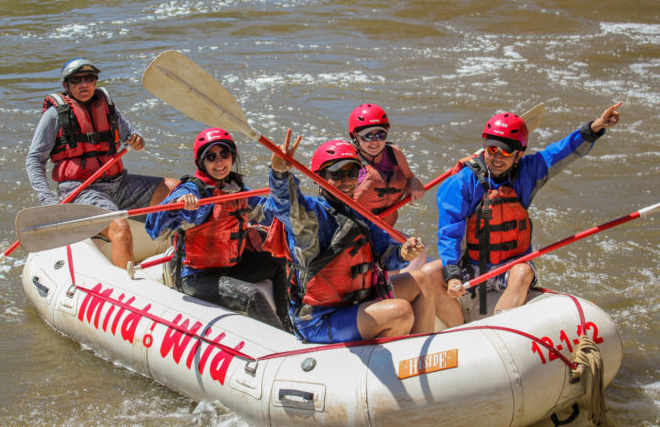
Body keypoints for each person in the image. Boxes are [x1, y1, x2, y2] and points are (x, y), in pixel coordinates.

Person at [423, 102, 622, 327]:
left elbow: (562, 151)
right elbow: (449, 233)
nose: (498, 158)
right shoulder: (460, 184)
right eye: (492, 150)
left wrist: (595, 127)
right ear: (484, 147)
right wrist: (453, 275)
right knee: (429, 273)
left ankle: (496, 328)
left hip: (510, 268)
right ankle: (458, 330)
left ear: (519, 154)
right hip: (473, 266)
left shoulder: (530, 171)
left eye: (506, 152)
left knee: (523, 271)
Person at [265, 131, 434, 343]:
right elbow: (284, 205)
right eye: (336, 174)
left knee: (421, 280)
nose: (346, 181)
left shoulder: (359, 214)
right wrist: (279, 174)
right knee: (399, 311)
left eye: (352, 173)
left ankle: (422, 359)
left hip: (356, 303)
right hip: (320, 319)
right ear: (320, 178)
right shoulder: (310, 216)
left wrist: (404, 252)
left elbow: (387, 254)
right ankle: (394, 364)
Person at [26, 58, 178, 271]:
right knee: (120, 227)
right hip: (81, 191)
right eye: (76, 80)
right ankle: (128, 286)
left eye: (88, 79)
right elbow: (34, 160)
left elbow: (134, 136)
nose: (83, 84)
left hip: (118, 183)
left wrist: (137, 139)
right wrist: (47, 201)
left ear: (95, 81)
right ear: (66, 86)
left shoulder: (107, 107)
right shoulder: (54, 116)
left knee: (176, 189)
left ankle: (191, 260)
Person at [144, 127, 288, 329]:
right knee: (251, 294)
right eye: (211, 157)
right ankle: (278, 340)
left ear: (232, 156)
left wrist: (279, 174)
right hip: (196, 277)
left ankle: (290, 325)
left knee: (281, 261)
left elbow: (275, 210)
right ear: (202, 162)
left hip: (231, 266)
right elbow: (154, 231)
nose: (219, 161)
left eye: (224, 154)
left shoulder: (237, 189)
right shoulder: (192, 190)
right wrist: (176, 205)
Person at [348, 103, 427, 272]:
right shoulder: (349, 165)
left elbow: (410, 177)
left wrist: (413, 182)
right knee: (389, 266)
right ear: (355, 136)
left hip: (386, 231)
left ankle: (402, 291)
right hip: (358, 237)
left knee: (419, 250)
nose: (375, 141)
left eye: (380, 134)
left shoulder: (394, 154)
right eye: (367, 136)